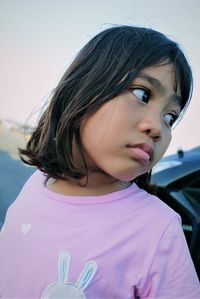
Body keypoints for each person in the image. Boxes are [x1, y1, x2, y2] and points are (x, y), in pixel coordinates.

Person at [0, 25, 199, 298]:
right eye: (142, 94)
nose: (158, 128)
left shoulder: (159, 230)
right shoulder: (38, 183)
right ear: (83, 88)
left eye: (170, 117)